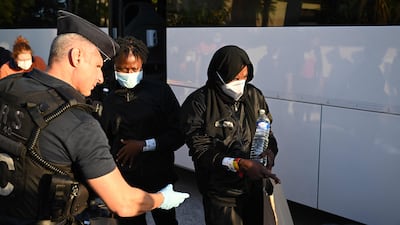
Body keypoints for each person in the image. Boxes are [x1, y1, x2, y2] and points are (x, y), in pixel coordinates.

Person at [0, 10, 189, 225]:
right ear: (77, 56)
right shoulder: (78, 122)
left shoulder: (8, 87)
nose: (101, 78)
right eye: (99, 66)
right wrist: (163, 199)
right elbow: (124, 202)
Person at [179, 45, 280, 225]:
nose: (240, 83)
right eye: (235, 78)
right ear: (219, 75)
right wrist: (239, 164)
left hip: (254, 189)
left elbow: (268, 134)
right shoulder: (199, 103)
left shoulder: (254, 95)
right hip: (221, 196)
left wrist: (270, 152)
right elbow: (201, 151)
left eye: (245, 77)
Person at [98, 35, 184, 225]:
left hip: (158, 175)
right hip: (124, 180)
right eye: (123, 69)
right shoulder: (107, 95)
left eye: (134, 69)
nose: (128, 74)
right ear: (114, 67)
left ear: (142, 66)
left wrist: (145, 145)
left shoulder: (160, 92)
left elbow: (178, 133)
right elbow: (100, 138)